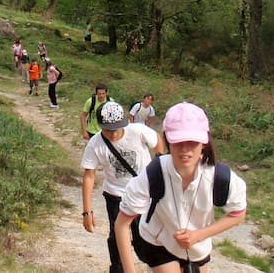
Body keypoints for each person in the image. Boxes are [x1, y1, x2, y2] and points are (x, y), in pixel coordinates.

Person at [114, 102, 247, 273]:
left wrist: (198, 235)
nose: (185, 149)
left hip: (197, 247)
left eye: (192, 142)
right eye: (178, 142)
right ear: (167, 140)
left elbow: (238, 214)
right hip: (157, 241)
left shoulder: (221, 178)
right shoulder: (153, 173)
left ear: (204, 142)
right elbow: (122, 224)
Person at [81, 102, 163, 273]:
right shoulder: (95, 144)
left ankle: (155, 266)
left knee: (145, 237)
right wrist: (87, 212)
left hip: (143, 193)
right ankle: (118, 269)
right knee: (116, 238)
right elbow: (89, 176)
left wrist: (159, 163)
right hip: (115, 196)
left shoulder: (137, 131)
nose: (113, 134)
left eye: (116, 129)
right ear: (100, 126)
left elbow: (157, 140)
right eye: (108, 130)